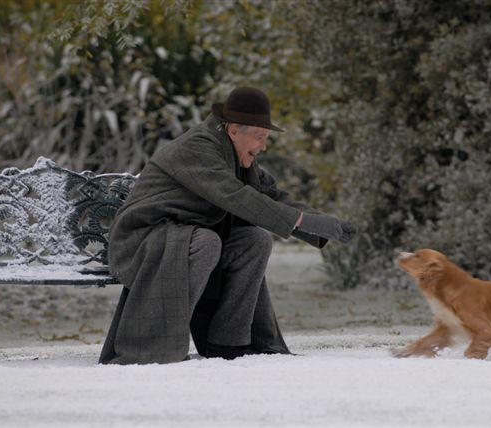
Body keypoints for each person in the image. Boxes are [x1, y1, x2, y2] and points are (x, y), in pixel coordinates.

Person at [99, 86, 357, 364]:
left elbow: (269, 196)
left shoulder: (234, 155)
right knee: (207, 242)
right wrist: (304, 221)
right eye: (260, 137)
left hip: (181, 237)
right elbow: (237, 197)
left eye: (265, 138)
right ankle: (159, 345)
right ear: (234, 130)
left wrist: (324, 225)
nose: (263, 146)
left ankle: (227, 343)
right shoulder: (199, 147)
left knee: (254, 241)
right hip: (142, 239)